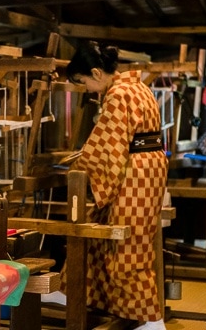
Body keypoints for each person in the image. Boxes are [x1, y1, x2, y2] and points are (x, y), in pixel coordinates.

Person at [43, 41, 169, 330]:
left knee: (129, 246)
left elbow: (106, 146)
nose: (85, 88)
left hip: (135, 173)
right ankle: (72, 293)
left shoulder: (119, 95)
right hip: (146, 168)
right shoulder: (139, 87)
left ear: (97, 73)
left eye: (83, 82)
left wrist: (78, 166)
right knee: (96, 231)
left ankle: (151, 320)